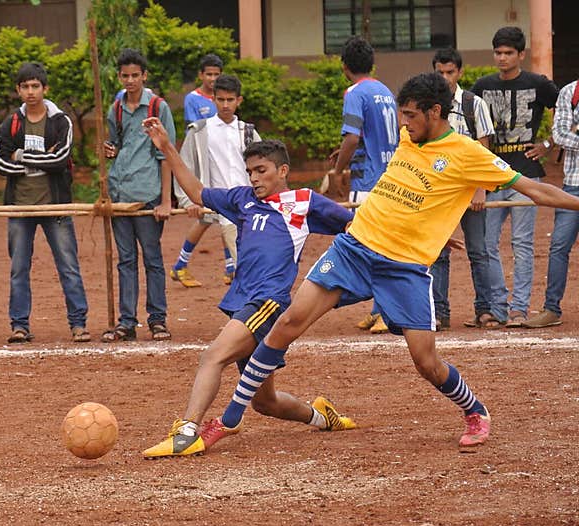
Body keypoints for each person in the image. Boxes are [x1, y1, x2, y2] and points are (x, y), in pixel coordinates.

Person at [190, 72, 579, 454]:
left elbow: (534, 190)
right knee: (287, 323)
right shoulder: (408, 140)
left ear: (435, 112)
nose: (404, 124)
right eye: (402, 114)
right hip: (354, 249)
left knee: (426, 363)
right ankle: (228, 419)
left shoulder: (468, 154)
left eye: (410, 115)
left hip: (404, 267)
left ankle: (475, 411)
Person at [140, 126, 357, 458]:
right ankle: (323, 417)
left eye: (261, 171)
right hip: (241, 301)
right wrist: (168, 148)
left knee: (213, 356)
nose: (254, 178)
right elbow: (198, 193)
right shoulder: (242, 199)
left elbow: (354, 224)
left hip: (268, 302)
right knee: (265, 402)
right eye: (250, 172)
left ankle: (186, 430)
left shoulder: (302, 202)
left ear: (282, 171)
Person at [0, 62, 90, 344]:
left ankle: (78, 324)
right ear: (18, 90)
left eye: (35, 86)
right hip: (20, 207)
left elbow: (60, 160)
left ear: (45, 89)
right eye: (25, 86)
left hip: (55, 206)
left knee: (68, 265)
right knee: (19, 268)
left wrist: (20, 156)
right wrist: (39, 160)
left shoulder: (61, 121)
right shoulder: (11, 122)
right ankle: (19, 325)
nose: (30, 91)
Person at [471, 26, 559, 328]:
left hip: (526, 174)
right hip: (492, 177)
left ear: (521, 54)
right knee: (487, 244)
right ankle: (497, 306)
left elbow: (567, 109)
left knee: (522, 244)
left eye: (509, 53)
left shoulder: (538, 84)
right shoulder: (481, 87)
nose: (502, 58)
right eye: (498, 52)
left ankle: (519, 308)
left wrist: (548, 144)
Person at [326, 36, 400, 335]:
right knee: (382, 243)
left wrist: (337, 169)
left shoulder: (354, 92)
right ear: (372, 64)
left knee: (370, 246)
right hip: (390, 175)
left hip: (368, 180)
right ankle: (377, 309)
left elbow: (353, 136)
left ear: (344, 67)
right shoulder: (383, 90)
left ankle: (387, 310)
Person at [101, 48, 175, 342]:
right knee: (125, 260)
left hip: (147, 194)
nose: (130, 80)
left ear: (144, 76)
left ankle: (157, 320)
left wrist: (167, 200)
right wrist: (110, 151)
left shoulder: (158, 107)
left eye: (135, 75)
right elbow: (115, 145)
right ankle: (126, 322)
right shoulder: (115, 109)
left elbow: (166, 155)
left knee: (152, 259)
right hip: (119, 193)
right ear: (118, 76)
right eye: (125, 76)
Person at [428, 48, 497, 331]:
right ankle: (439, 313)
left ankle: (485, 310)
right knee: (438, 253)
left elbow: (484, 150)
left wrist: (481, 188)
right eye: (440, 72)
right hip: (439, 194)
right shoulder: (428, 106)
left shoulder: (474, 104)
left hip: (470, 192)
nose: (445, 78)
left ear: (460, 72)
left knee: (478, 251)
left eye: (450, 72)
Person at [170, 74, 260, 288]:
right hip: (218, 200)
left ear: (239, 100)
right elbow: (185, 166)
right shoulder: (200, 131)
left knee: (253, 258)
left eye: (230, 100)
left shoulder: (248, 132)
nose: (226, 105)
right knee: (244, 264)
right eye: (221, 99)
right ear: (213, 99)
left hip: (248, 202)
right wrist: (187, 201)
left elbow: (265, 167)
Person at [523, 76, 579, 328]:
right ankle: (551, 309)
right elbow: (560, 135)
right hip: (573, 184)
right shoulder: (570, 92)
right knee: (558, 247)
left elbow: (569, 136)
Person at [182, 53, 222, 126]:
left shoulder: (225, 97)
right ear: (201, 75)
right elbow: (192, 128)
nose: (213, 79)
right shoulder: (192, 98)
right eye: (209, 74)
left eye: (216, 74)